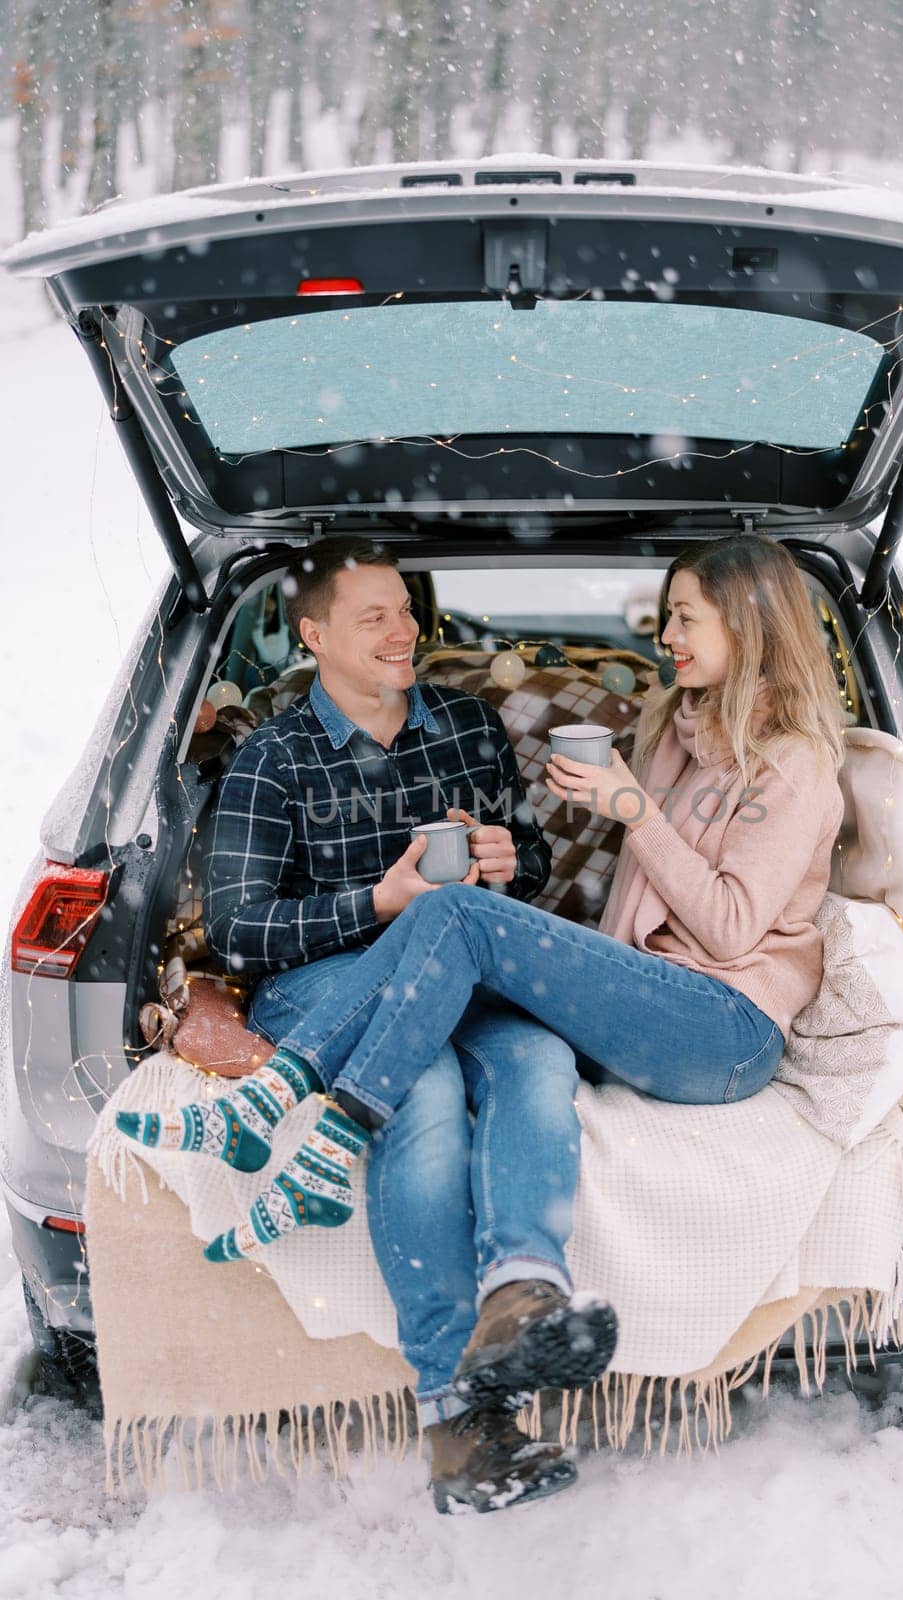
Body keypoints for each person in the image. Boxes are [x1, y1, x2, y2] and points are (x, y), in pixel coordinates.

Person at [117, 537, 617, 1516]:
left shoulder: (469, 727)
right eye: (374, 615)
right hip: (322, 985)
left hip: (460, 972)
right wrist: (375, 902)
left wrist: (509, 858)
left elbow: (524, 862)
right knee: (421, 1086)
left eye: (405, 610)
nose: (404, 632)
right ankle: (456, 1418)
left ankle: (521, 1290)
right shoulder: (271, 756)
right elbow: (239, 926)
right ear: (313, 635)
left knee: (537, 1052)